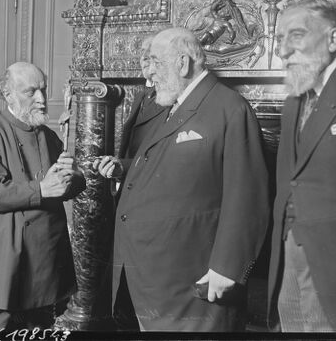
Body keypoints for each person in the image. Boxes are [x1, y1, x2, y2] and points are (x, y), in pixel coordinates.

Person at [111, 27, 270, 331]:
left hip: (193, 279)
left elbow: (249, 197)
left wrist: (229, 269)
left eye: (156, 63)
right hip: (157, 276)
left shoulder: (229, 108)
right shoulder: (171, 107)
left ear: (182, 63)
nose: (150, 74)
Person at [0, 62, 86, 330]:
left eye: (43, 90)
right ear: (8, 94)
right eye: (31, 92)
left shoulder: (50, 136)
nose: (42, 99)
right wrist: (41, 189)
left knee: (39, 326)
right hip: (5, 256)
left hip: (44, 256)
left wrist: (73, 177)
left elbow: (67, 186)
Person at [267, 0, 336, 332]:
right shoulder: (294, 100)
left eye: (296, 35)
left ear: (334, 40)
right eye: (280, 39)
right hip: (289, 251)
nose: (282, 50)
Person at [93, 36, 166, 331]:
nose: (146, 68)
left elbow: (161, 158)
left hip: (152, 206)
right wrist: (118, 167)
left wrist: (124, 167)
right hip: (130, 200)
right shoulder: (144, 97)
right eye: (144, 60)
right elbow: (135, 148)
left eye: (153, 60)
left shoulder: (173, 100)